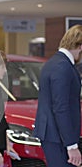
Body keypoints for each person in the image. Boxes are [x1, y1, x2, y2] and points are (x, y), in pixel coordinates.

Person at [33, 24, 82, 167]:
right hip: (58, 136)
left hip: (55, 134)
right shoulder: (62, 66)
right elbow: (61, 107)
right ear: (79, 46)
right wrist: (71, 145)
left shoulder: (53, 63)